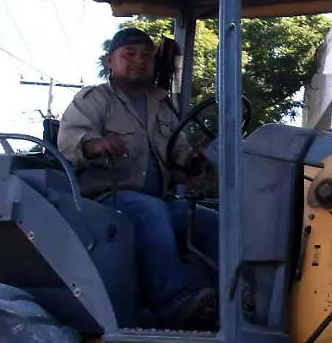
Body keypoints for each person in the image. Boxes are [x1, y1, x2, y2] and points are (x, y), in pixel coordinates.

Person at [58, 27, 216, 327]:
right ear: (110, 61)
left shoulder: (162, 105)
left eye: (145, 55)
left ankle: (231, 303)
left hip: (161, 201)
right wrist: (95, 144)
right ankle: (172, 304)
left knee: (208, 219)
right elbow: (69, 139)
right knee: (150, 211)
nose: (138, 61)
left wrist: (195, 161)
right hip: (105, 199)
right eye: (129, 55)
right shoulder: (94, 99)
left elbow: (177, 154)